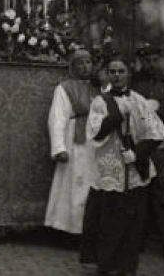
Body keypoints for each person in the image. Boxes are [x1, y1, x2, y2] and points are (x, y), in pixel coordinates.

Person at [86, 54, 164, 276]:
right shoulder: (99, 102)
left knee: (133, 223)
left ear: (128, 74)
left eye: (121, 71)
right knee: (109, 221)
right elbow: (95, 133)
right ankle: (105, 265)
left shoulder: (140, 101)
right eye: (112, 71)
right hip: (110, 170)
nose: (116, 75)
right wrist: (115, 116)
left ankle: (127, 267)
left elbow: (156, 133)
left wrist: (137, 153)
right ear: (107, 74)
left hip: (134, 168)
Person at [132, 43, 164, 257]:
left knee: (163, 193)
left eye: (154, 60)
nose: (151, 64)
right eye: (147, 61)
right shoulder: (135, 82)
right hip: (141, 143)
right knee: (140, 192)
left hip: (161, 145)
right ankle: (137, 240)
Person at [44, 49, 99, 237]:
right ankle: (70, 229)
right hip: (75, 143)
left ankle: (90, 229)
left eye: (88, 62)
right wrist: (59, 148)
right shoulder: (64, 88)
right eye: (80, 63)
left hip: (97, 143)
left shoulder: (99, 87)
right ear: (73, 67)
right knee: (74, 185)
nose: (85, 67)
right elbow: (56, 119)